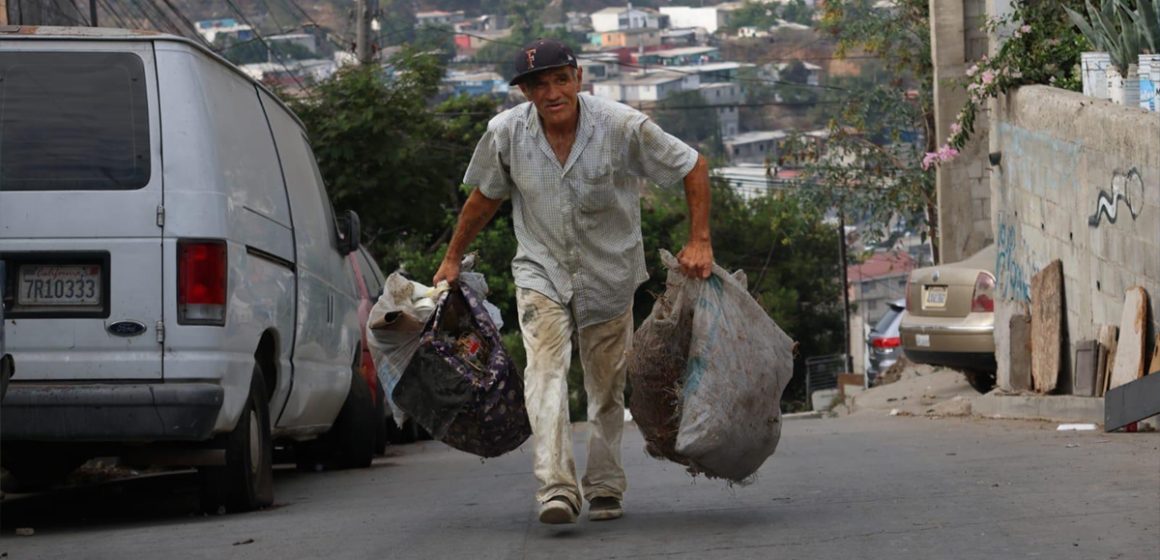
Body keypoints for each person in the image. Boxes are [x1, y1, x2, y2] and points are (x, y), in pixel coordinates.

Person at [433, 38, 713, 525]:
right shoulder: (506, 133)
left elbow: (692, 165)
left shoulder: (621, 126)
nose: (552, 92)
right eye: (539, 85)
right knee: (544, 375)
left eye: (561, 79)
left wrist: (700, 240)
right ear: (525, 92)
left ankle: (604, 485)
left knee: (606, 388)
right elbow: (484, 198)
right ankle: (556, 488)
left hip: (610, 274)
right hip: (541, 271)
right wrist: (451, 259)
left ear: (579, 78)